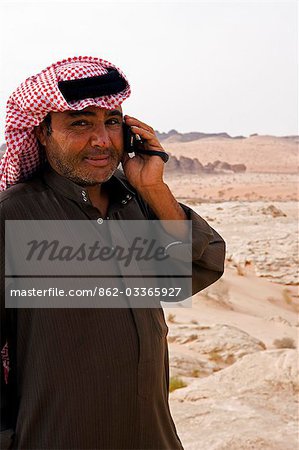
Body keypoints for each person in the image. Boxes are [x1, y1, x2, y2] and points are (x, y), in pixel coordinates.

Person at [0, 56, 225, 450]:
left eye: (112, 121)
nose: (102, 140)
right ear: (42, 132)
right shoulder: (15, 216)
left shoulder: (134, 202)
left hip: (152, 437)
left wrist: (153, 188)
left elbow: (198, 268)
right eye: (80, 122)